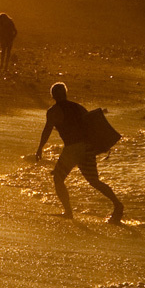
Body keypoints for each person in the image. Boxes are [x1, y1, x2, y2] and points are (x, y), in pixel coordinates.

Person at [32, 82, 122, 222]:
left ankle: (68, 212)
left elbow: (47, 130)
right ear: (65, 93)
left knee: (58, 178)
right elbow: (92, 126)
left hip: (72, 149)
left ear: (53, 96)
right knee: (94, 181)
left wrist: (40, 148)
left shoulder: (53, 111)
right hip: (87, 148)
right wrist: (99, 146)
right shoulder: (78, 107)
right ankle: (117, 204)